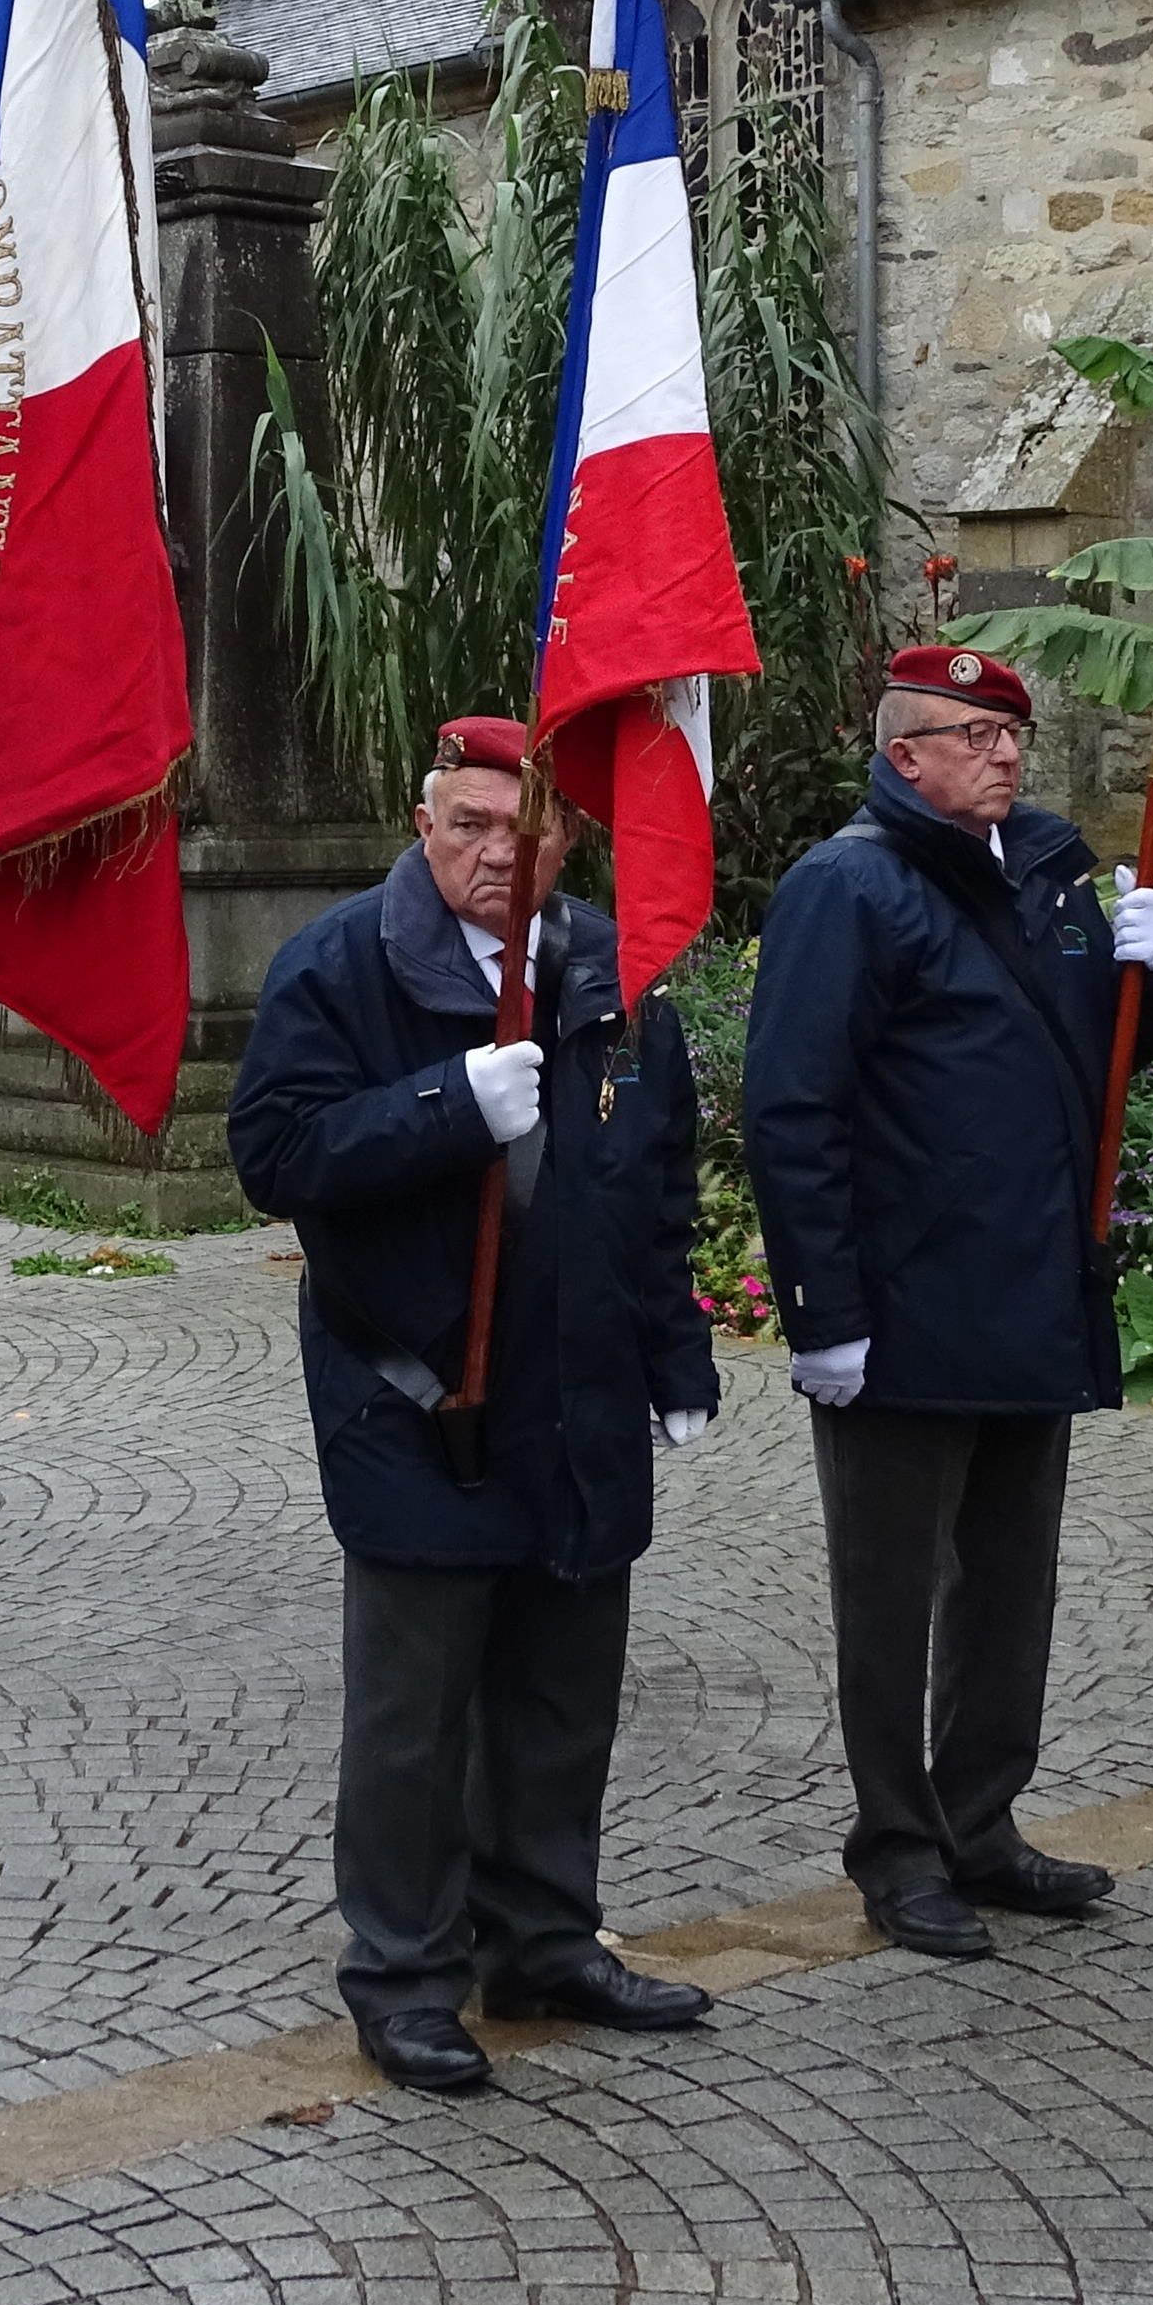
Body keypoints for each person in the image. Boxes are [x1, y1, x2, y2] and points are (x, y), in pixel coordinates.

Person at [225, 718, 721, 2094]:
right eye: (470, 825)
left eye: (528, 826)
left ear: (568, 833)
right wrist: (447, 1102)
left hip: (579, 1388)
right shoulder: (339, 964)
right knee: (417, 1714)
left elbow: (655, 1179)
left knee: (564, 1692)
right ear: (424, 820)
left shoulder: (611, 962)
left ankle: (545, 1938)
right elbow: (274, 1151)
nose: (499, 851)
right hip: (419, 1395)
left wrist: (675, 1355)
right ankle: (404, 1972)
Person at [743, 645, 1153, 1961]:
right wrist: (823, 1309)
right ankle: (897, 1847)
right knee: (891, 1596)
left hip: (1031, 1290)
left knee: (1009, 1584)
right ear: (905, 755)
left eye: (1012, 732)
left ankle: (981, 1820)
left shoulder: (1045, 873)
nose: (1004, 752)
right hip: (906, 1307)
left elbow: (1093, 1055)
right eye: (974, 733)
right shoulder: (848, 886)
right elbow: (793, 1108)